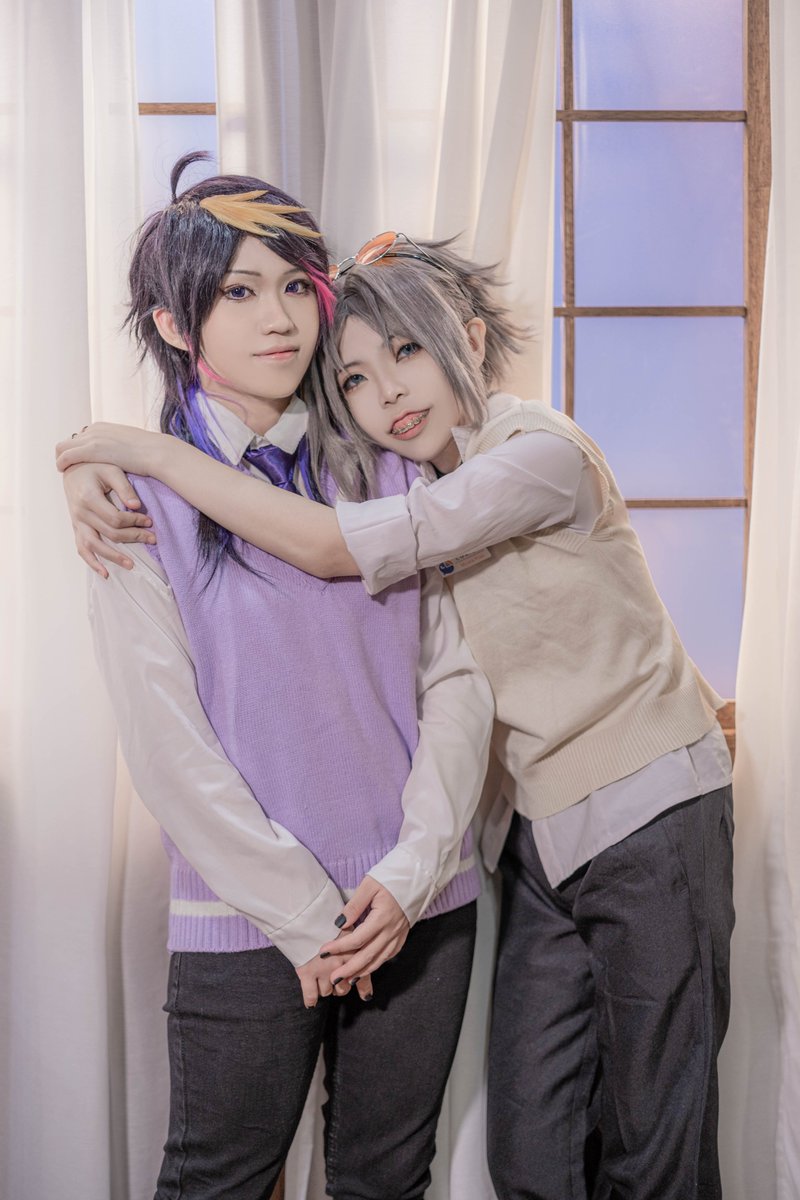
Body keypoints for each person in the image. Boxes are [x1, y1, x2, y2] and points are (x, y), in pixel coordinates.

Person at [58, 234, 735, 1200]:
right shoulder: (396, 467)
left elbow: (353, 568)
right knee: (531, 1152)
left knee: (655, 1134)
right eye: (357, 376)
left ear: (468, 338)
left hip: (642, 810)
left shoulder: (530, 456)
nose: (389, 391)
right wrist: (99, 460)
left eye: (409, 351)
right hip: (535, 836)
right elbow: (171, 737)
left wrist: (136, 446)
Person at [63, 172, 494, 1200]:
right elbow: (167, 746)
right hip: (245, 915)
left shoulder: (392, 461)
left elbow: (457, 677)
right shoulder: (132, 503)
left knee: (388, 1182)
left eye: (297, 286)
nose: (280, 318)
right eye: (240, 292)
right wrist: (306, 917)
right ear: (175, 324)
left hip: (418, 901)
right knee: (217, 1180)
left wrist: (411, 873)